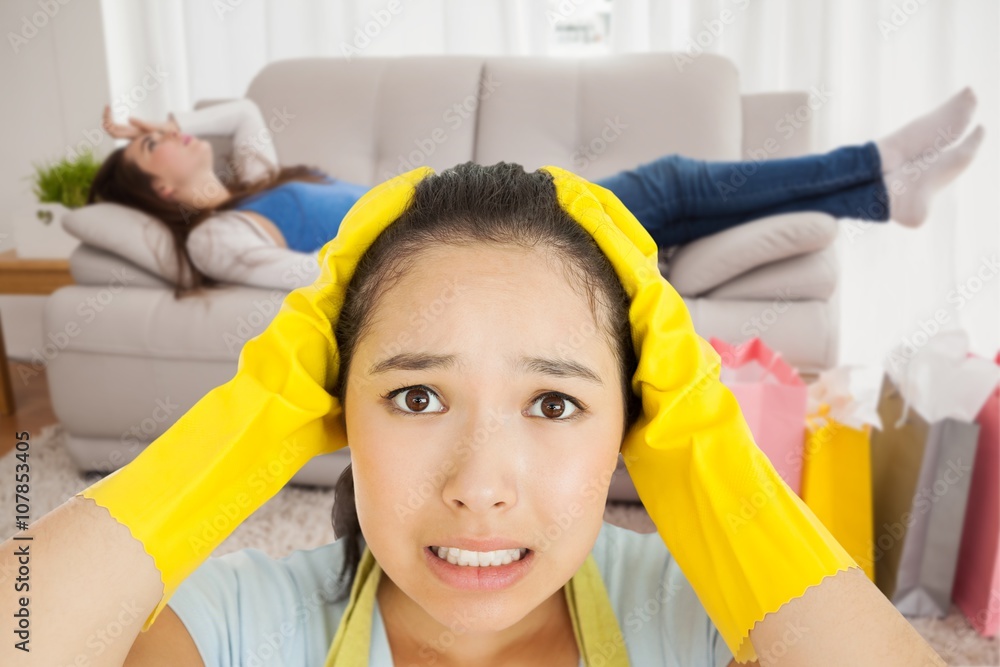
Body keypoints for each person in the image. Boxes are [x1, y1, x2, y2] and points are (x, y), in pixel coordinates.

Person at [2, 160, 948, 666]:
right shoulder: (243, 628)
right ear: (331, 406)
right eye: (416, 397)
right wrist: (242, 426)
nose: (479, 488)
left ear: (636, 417)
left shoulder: (708, 620)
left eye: (554, 401)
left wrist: (709, 460)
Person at [88, 88, 984, 295]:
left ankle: (879, 189)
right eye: (154, 145)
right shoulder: (214, 239)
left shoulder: (248, 176)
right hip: (478, 230)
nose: (174, 133)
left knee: (674, 201)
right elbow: (316, 283)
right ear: (156, 188)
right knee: (670, 183)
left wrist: (142, 127)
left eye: (166, 130)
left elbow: (239, 109)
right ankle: (876, 162)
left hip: (484, 207)